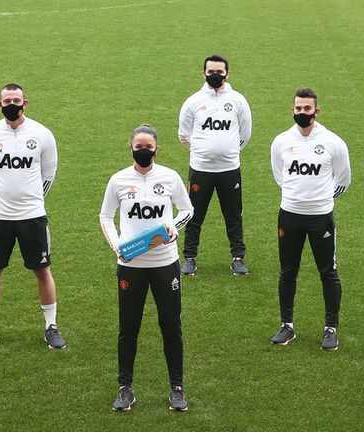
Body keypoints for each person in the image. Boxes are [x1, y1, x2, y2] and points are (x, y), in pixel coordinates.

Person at [99, 124, 194, 412]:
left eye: (148, 147)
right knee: (128, 327)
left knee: (170, 326)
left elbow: (187, 210)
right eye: (139, 146)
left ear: (156, 149)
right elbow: (105, 216)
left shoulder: (170, 177)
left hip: (165, 263)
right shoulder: (118, 181)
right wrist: (116, 245)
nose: (143, 151)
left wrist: (173, 228)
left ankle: (177, 388)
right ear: (131, 148)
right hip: (130, 265)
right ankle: (124, 388)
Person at [0, 83, 66, 350]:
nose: (11, 104)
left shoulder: (42, 134)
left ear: (25, 103)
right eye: (6, 100)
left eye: (16, 100)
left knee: (43, 270)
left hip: (33, 216)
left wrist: (32, 198)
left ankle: (51, 326)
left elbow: (49, 173)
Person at [269, 88, 351, 351]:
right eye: (298, 108)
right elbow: (280, 176)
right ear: (292, 110)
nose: (302, 113)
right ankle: (287, 325)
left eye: (307, 109)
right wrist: (296, 197)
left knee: (328, 273)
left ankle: (331, 328)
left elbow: (343, 179)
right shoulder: (281, 141)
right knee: (287, 271)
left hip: (321, 218)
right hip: (289, 215)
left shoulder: (333, 142)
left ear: (317, 111)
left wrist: (322, 199)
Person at [177, 54, 252, 276]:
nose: (215, 75)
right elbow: (183, 133)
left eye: (220, 72)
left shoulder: (238, 100)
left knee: (233, 215)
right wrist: (202, 151)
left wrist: (228, 150)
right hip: (201, 169)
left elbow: (245, 133)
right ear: (204, 73)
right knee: (194, 215)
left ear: (228, 73)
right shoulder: (193, 101)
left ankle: (238, 258)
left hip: (229, 169)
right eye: (211, 72)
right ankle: (190, 258)